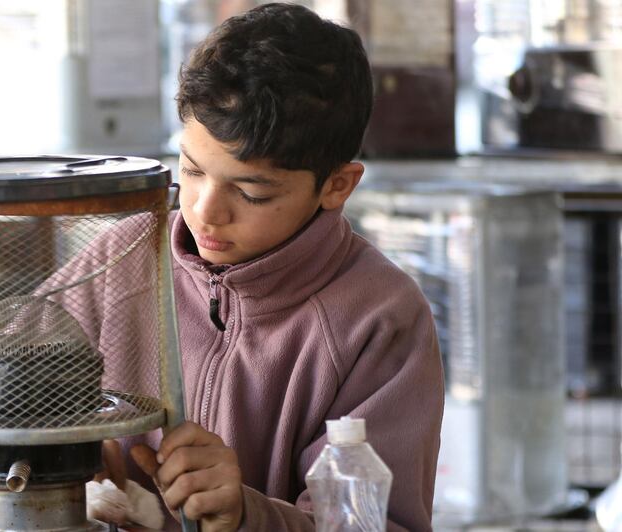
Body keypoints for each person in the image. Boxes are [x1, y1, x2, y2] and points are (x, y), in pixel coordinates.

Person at [82, 3, 444, 531]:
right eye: (191, 170)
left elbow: (380, 524)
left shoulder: (379, 319)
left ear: (337, 186)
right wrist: (64, 461)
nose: (204, 209)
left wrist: (247, 516)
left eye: (250, 192)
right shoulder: (120, 261)